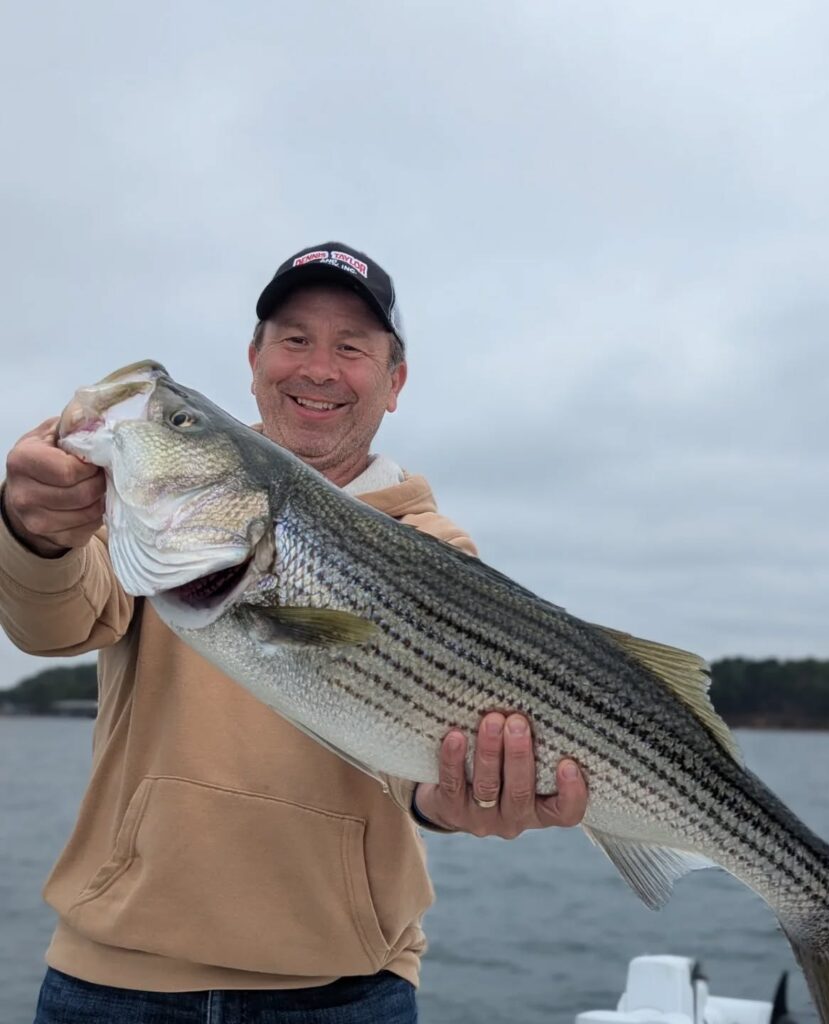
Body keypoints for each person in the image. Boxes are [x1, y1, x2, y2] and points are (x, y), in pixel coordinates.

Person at [0, 242, 589, 1023]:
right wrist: (33, 531)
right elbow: (53, 624)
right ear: (254, 360)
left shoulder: (437, 551)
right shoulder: (156, 503)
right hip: (111, 980)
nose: (318, 367)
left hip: (341, 992)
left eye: (351, 347)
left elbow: (420, 769)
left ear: (394, 381)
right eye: (294, 339)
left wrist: (464, 799)